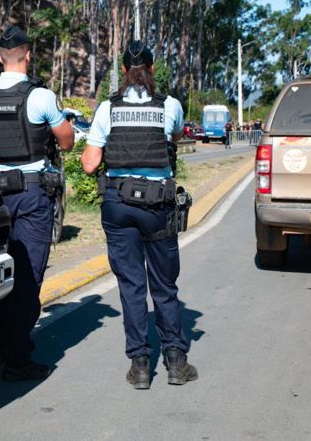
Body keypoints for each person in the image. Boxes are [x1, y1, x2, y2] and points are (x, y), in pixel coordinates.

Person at [81, 41, 197, 389]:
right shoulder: (169, 105)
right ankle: (176, 363)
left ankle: (140, 368)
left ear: (124, 69)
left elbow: (89, 164)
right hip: (157, 206)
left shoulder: (107, 109)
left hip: (117, 206)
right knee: (164, 285)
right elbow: (176, 138)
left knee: (131, 285)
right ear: (151, 67)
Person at [0, 25, 74, 381]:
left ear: (0, 57)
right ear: (28, 56)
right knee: (27, 276)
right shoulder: (41, 97)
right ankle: (18, 359)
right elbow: (67, 142)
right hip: (31, 193)